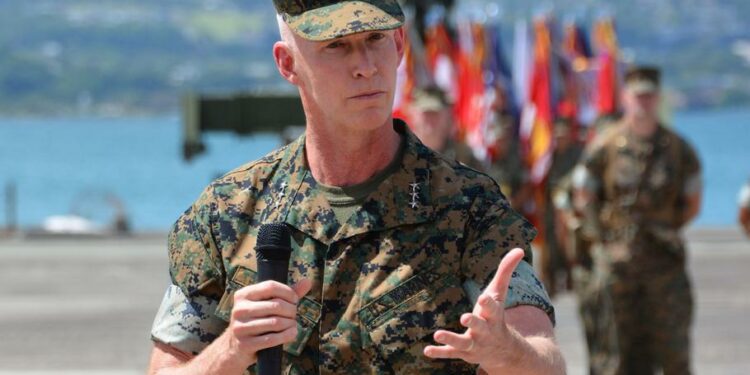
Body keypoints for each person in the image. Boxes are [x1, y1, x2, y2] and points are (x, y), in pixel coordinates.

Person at [147, 1, 564, 374]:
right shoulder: (228, 212)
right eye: (336, 46)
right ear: (288, 63)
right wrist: (232, 350)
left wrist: (506, 351)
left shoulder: (470, 207)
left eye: (375, 38)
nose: (365, 65)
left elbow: (546, 360)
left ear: (399, 45)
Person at [575, 65, 702, 374]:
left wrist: (663, 227)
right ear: (626, 97)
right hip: (617, 269)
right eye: (637, 95)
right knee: (615, 359)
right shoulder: (605, 146)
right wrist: (602, 240)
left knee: (674, 357)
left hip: (664, 268)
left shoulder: (679, 150)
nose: (643, 102)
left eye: (649, 96)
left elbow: (693, 204)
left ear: (658, 98)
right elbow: (583, 196)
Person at [540, 117, 584, 297]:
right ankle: (550, 282)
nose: (560, 138)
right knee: (550, 244)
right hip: (550, 207)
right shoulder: (547, 155)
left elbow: (580, 177)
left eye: (563, 134)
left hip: (571, 206)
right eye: (557, 135)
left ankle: (572, 278)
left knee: (571, 243)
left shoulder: (577, 155)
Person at [408, 85, 483, 170]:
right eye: (426, 113)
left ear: (447, 116)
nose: (430, 119)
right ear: (413, 115)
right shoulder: (402, 153)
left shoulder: (463, 157)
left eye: (435, 113)